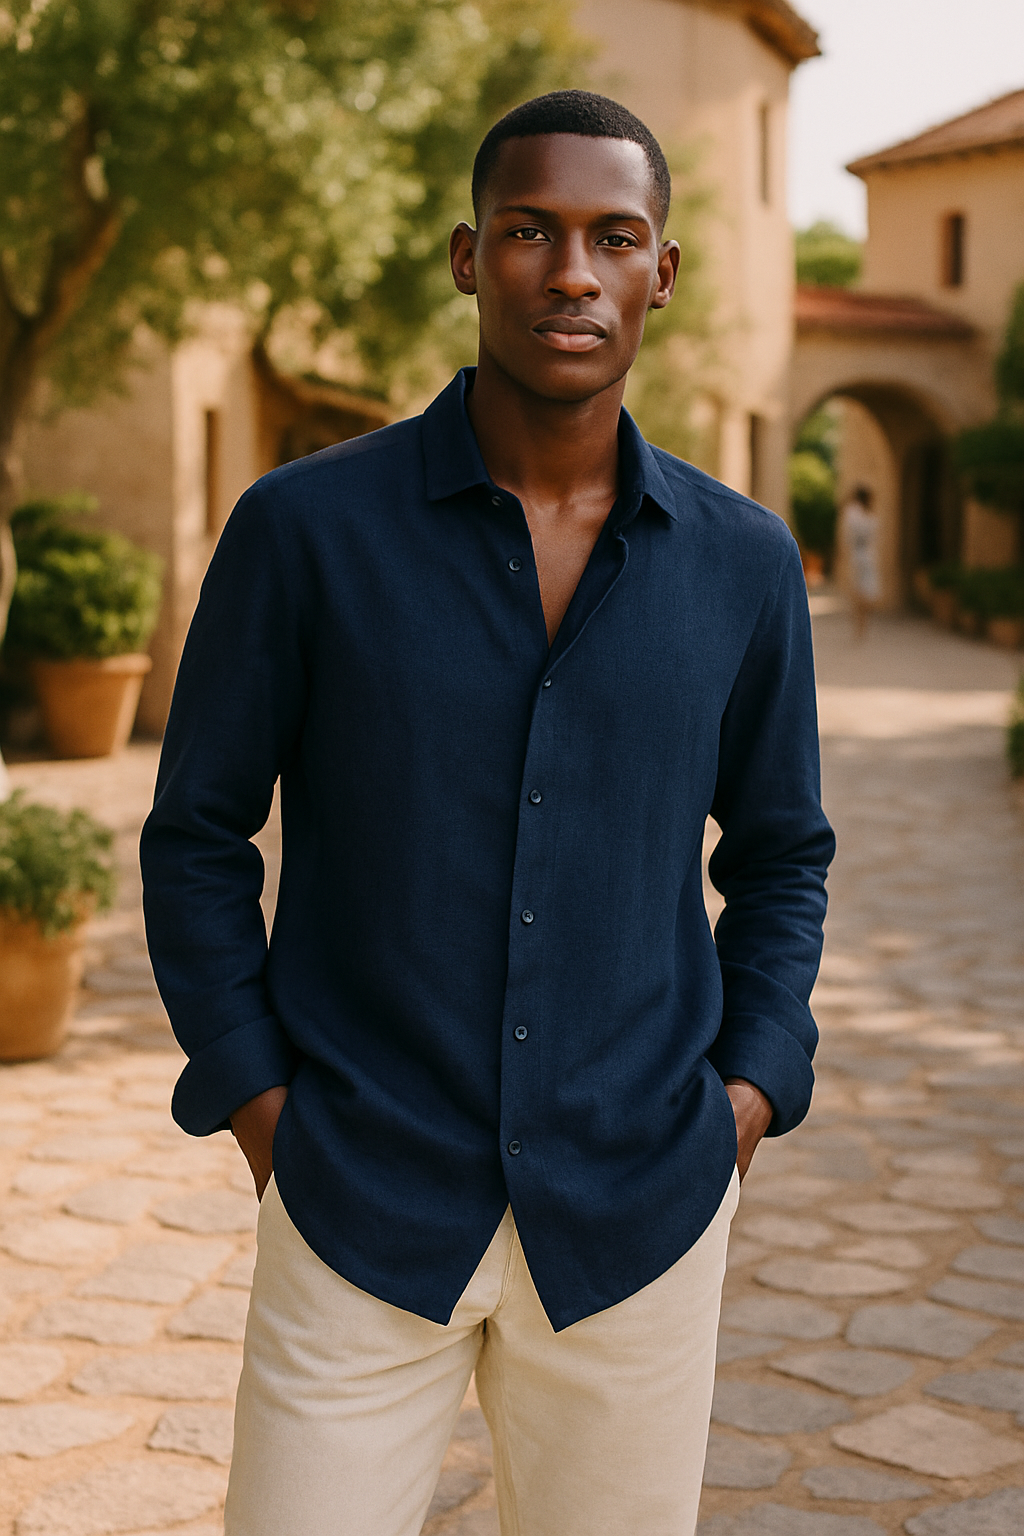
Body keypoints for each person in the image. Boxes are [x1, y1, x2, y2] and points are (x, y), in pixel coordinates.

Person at [141, 90, 834, 1536]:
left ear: (662, 272)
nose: (570, 270)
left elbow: (781, 857)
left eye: (611, 235)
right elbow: (198, 834)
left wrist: (748, 1092)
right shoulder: (303, 531)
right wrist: (263, 1102)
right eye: (530, 230)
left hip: (641, 1214)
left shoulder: (745, 566)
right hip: (358, 1198)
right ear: (469, 258)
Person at [841, 483, 880, 639]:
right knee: (864, 592)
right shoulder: (866, 514)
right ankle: (861, 626)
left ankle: (860, 626)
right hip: (865, 554)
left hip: (859, 554)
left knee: (860, 592)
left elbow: (848, 536)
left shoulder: (853, 513)